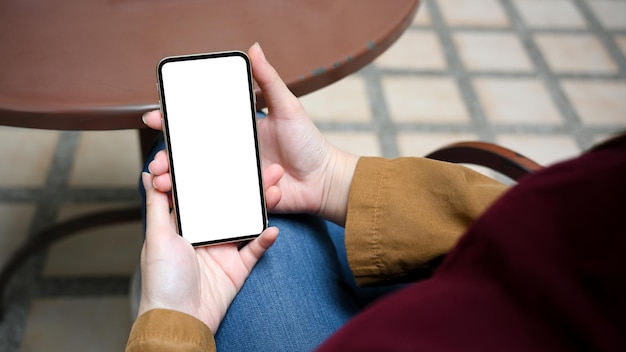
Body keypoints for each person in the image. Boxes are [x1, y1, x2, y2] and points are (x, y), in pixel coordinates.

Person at [126, 43, 626, 351]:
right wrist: (331, 177)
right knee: (254, 166)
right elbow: (557, 232)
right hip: (483, 283)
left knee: (181, 153)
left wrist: (173, 326)